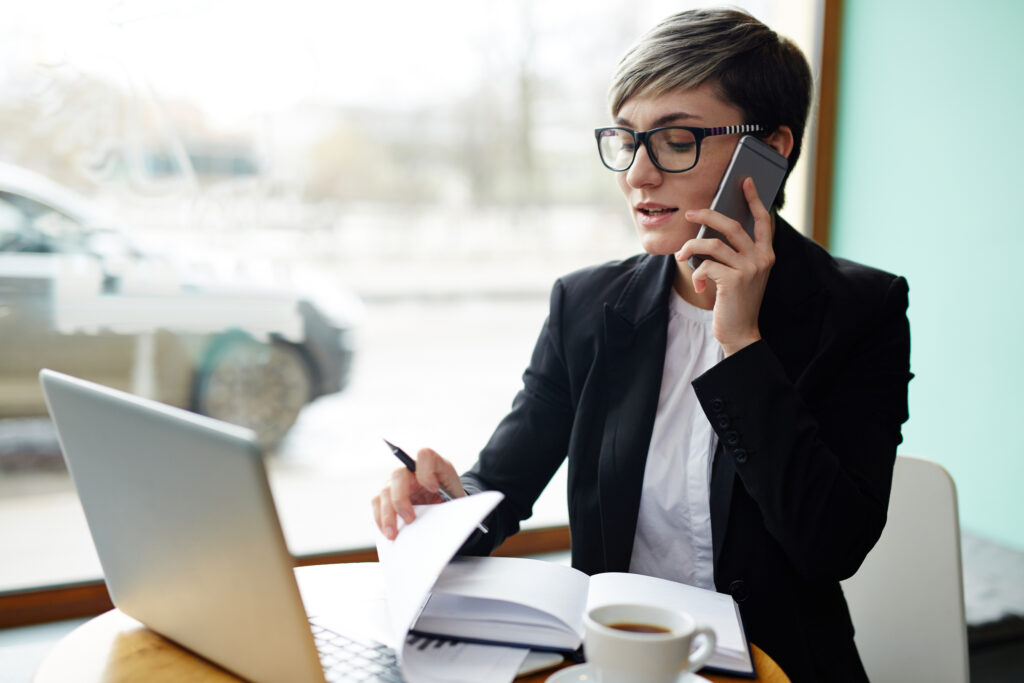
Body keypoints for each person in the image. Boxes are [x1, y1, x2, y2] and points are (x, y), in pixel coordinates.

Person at [372, 8, 911, 682]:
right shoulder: (587, 305)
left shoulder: (860, 311)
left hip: (780, 670)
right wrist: (439, 512)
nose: (638, 175)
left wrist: (740, 343)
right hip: (618, 667)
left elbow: (829, 545)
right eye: (627, 140)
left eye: (676, 140)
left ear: (770, 150)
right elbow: (501, 485)